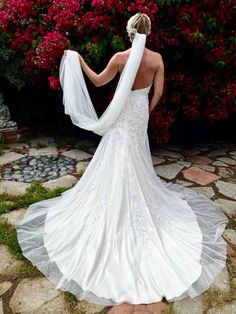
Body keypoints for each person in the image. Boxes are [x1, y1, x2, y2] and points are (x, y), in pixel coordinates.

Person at [16, 13, 229, 307]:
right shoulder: (156, 59)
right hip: (139, 112)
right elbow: (159, 91)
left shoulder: (119, 57)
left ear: (129, 31)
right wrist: (147, 111)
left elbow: (99, 81)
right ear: (149, 31)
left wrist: (80, 61)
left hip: (124, 113)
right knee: (136, 157)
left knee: (117, 155)